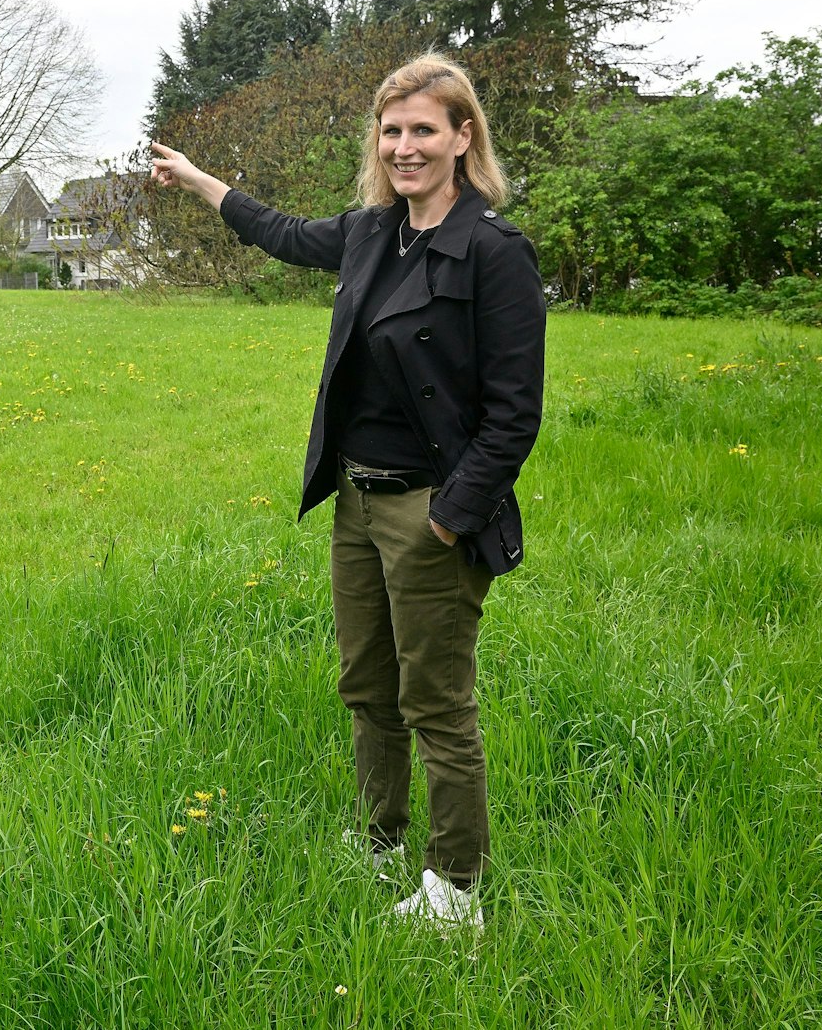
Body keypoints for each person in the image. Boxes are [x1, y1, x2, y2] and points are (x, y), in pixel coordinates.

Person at [150, 53, 545, 932]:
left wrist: (448, 518)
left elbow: (516, 416)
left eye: (424, 130)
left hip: (430, 508)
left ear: (462, 137)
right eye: (392, 130)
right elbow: (281, 232)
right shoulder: (374, 232)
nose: (405, 146)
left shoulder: (493, 251)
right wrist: (196, 179)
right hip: (358, 503)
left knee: (434, 699)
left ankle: (455, 890)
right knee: (366, 687)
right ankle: (379, 841)